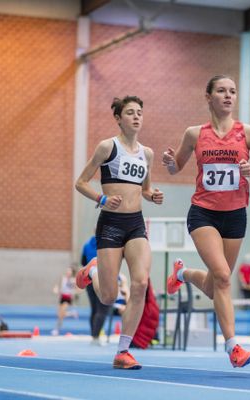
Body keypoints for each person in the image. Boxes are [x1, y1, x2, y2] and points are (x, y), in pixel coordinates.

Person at [161, 75, 250, 368]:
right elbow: (176, 168)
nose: (228, 96)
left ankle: (182, 275)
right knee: (223, 276)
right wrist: (170, 162)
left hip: (235, 215)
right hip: (204, 213)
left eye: (232, 92)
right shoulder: (195, 134)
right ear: (208, 96)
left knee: (213, 286)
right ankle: (234, 347)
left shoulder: (248, 133)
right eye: (221, 91)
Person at [75, 95, 164, 369]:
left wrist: (153, 195)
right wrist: (101, 199)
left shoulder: (146, 153)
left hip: (135, 224)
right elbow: (81, 182)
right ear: (118, 118)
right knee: (108, 297)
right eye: (130, 112)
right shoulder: (107, 147)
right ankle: (91, 272)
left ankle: (123, 351)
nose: (136, 117)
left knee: (140, 283)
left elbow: (146, 188)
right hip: (111, 224)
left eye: (139, 112)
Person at [81, 234, 111, 346]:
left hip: (90, 278)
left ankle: (94, 336)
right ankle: (96, 337)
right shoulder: (108, 244)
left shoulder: (87, 245)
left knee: (94, 309)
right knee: (102, 309)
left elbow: (83, 262)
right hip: (103, 277)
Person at [51, 265, 78, 336]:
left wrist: (74, 292)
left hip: (68, 298)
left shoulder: (74, 280)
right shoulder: (63, 278)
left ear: (72, 272)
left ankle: (56, 330)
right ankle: (71, 313)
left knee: (61, 314)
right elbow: (58, 285)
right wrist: (56, 289)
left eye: (69, 271)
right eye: (67, 271)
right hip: (62, 297)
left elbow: (78, 289)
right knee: (59, 315)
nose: (68, 272)